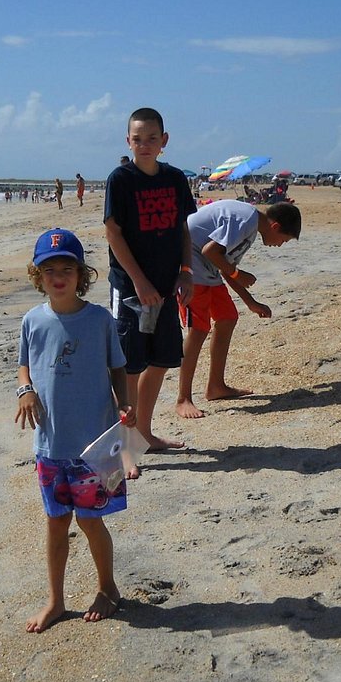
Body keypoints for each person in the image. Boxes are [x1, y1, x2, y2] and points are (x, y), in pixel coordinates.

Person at [16, 227, 136, 632]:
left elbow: (118, 367)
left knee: (90, 521)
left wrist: (125, 403)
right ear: (38, 276)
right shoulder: (32, 321)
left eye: (68, 268)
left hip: (93, 445)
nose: (59, 276)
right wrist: (25, 390)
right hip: (50, 444)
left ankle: (108, 587)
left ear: (81, 274)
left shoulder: (99, 319)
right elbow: (24, 365)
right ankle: (55, 600)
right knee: (55, 523)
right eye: (50, 270)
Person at [104, 107, 197, 452]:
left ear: (164, 141)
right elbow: (113, 233)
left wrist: (186, 272)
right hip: (130, 289)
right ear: (128, 141)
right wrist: (139, 282)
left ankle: (144, 432)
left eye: (152, 139)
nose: (144, 145)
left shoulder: (174, 179)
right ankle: (125, 444)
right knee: (129, 366)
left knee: (161, 359)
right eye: (138, 139)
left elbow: (182, 229)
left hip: (167, 286)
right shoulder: (121, 179)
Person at [175, 201, 301, 419]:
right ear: (275, 227)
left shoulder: (251, 227)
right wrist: (237, 274)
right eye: (283, 240)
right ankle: (183, 398)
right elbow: (211, 251)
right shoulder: (245, 221)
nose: (280, 245)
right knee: (198, 330)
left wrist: (250, 301)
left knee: (227, 317)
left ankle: (215, 387)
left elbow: (224, 264)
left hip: (207, 268)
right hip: (189, 266)